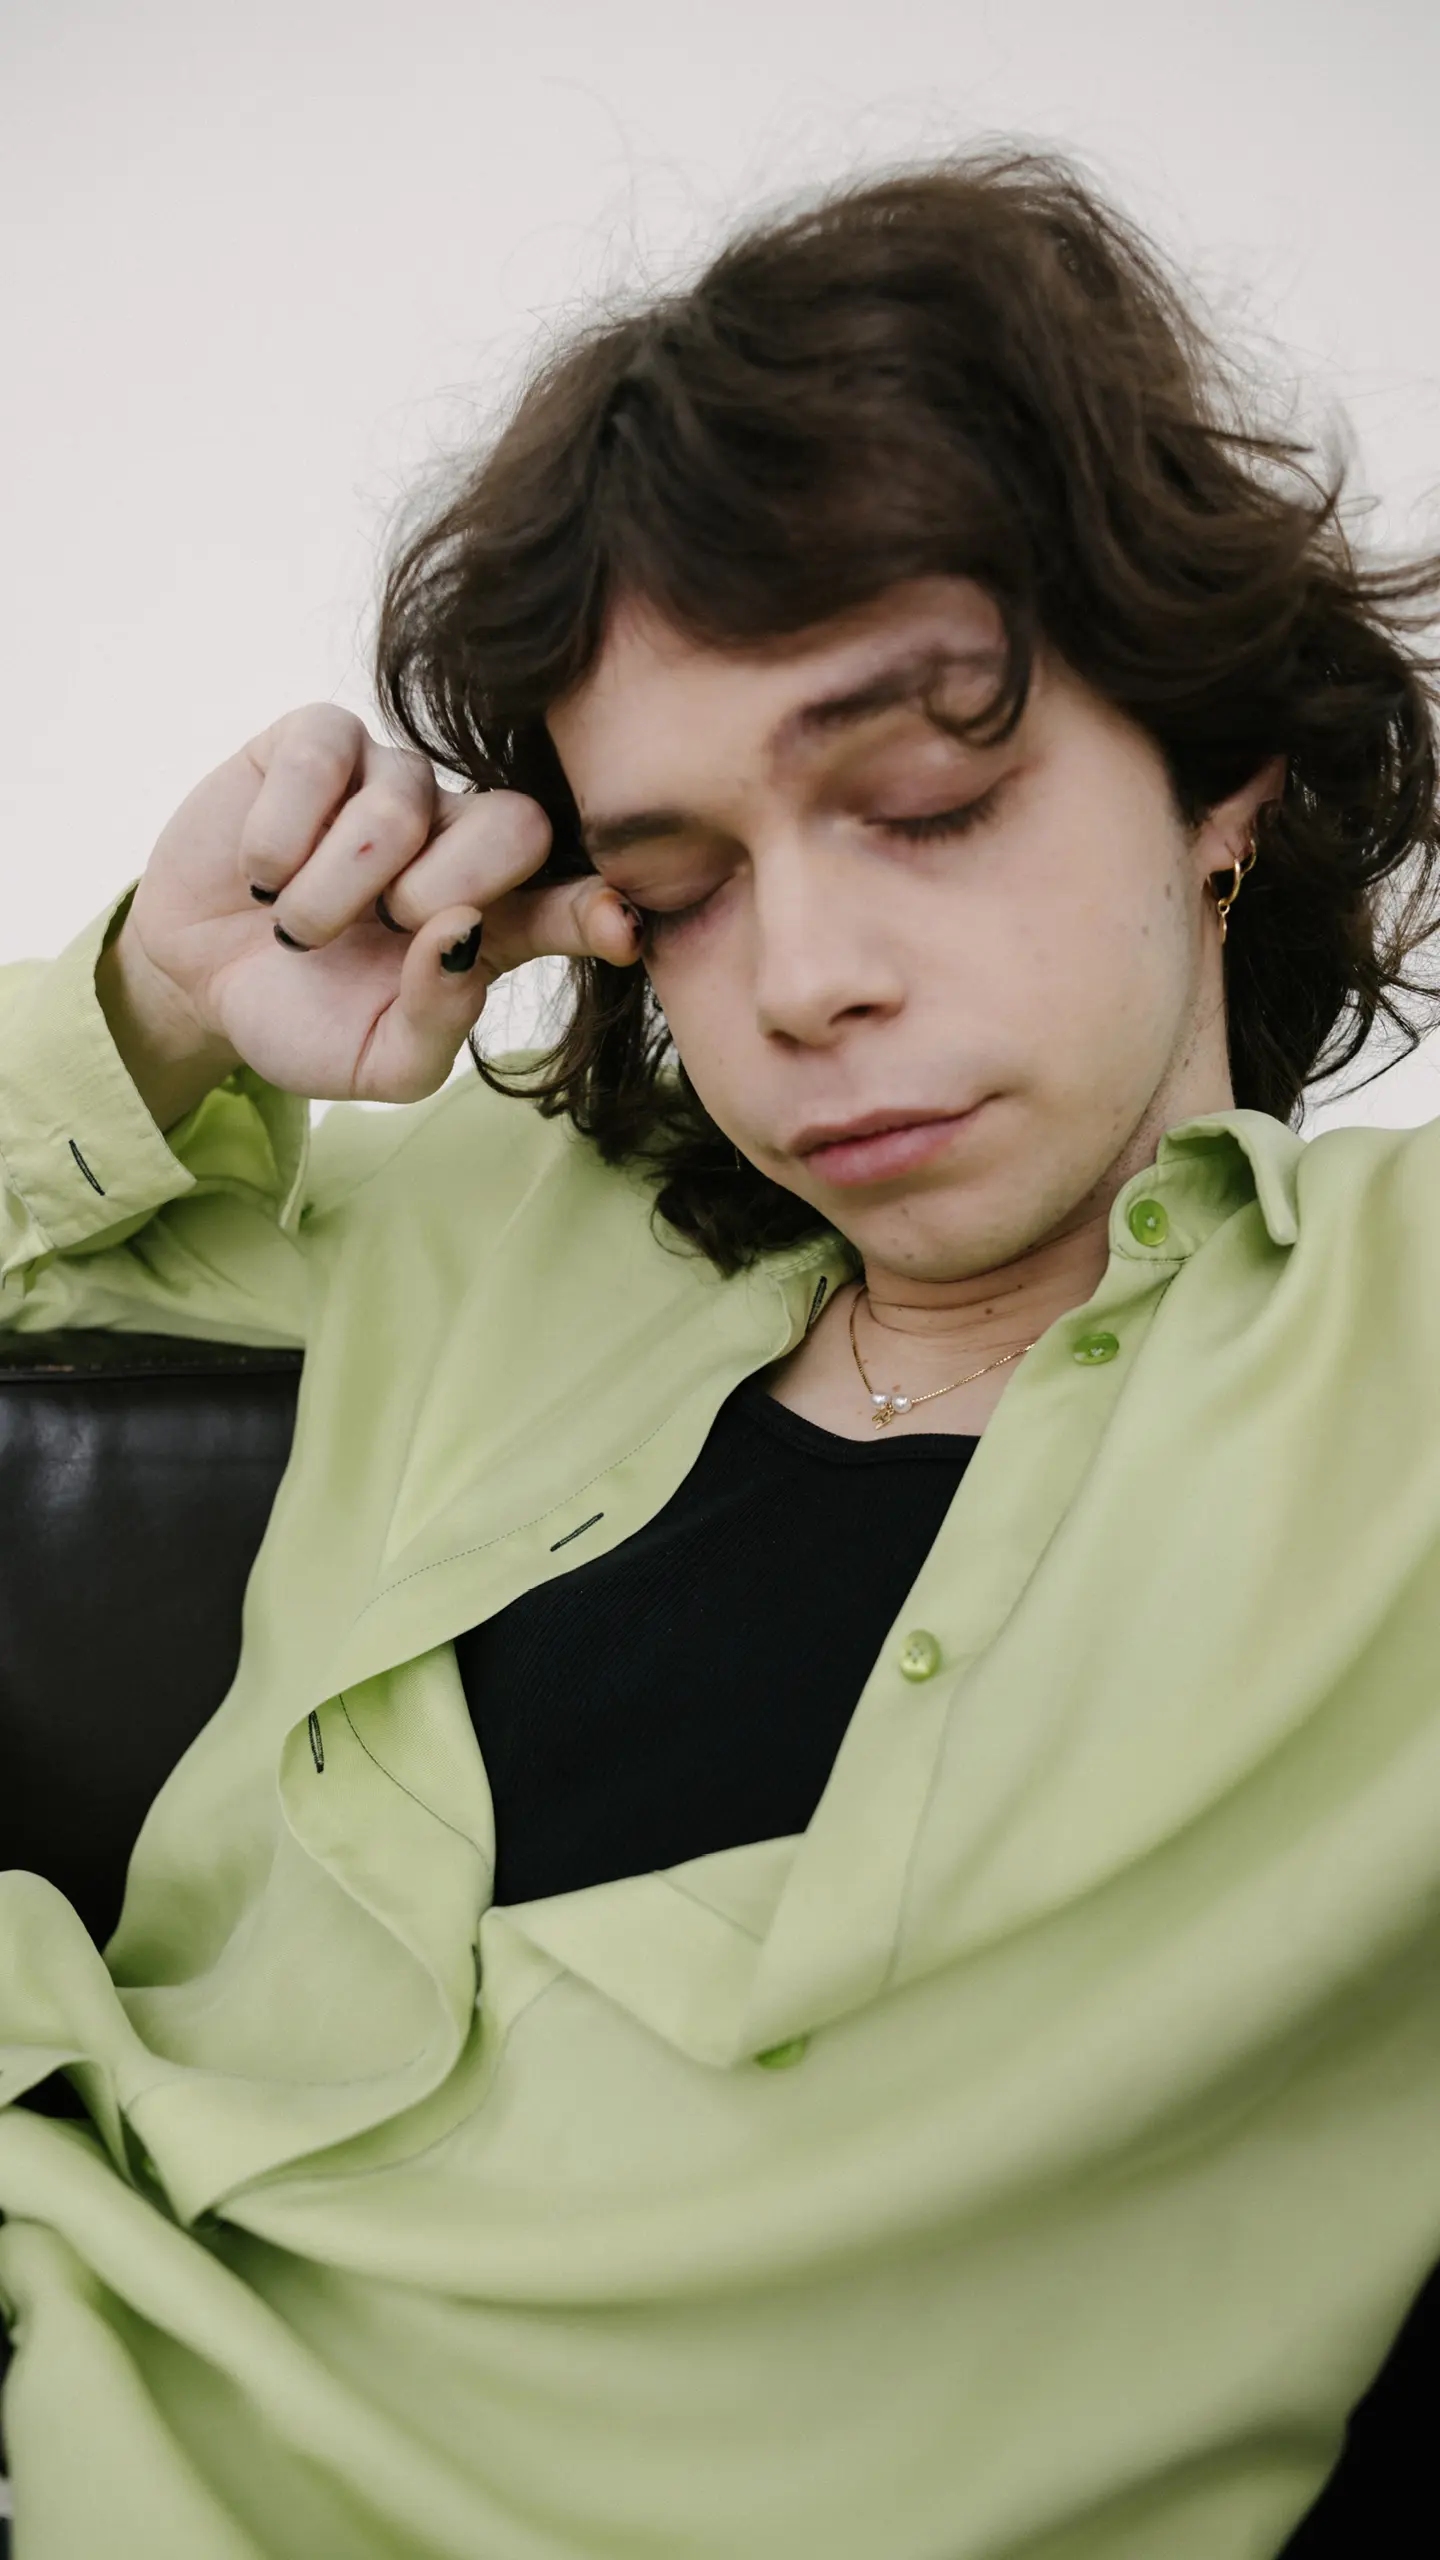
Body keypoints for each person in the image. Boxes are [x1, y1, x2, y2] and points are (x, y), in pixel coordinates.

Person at [0, 139, 1438, 2560]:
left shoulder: (1390, 1342)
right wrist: (161, 1008)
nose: (799, 981)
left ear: (1225, 783)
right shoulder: (507, 1225)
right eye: (677, 883)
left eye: (929, 805)